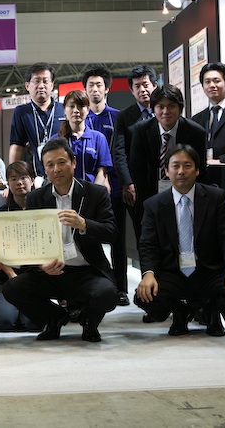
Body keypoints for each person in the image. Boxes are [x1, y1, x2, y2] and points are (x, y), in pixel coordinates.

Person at [2, 138, 120, 343]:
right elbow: (30, 243)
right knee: (12, 288)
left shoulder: (95, 193)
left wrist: (84, 224)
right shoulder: (36, 198)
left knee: (108, 294)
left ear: (73, 162)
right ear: (44, 170)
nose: (56, 169)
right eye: (50, 165)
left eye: (61, 162)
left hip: (86, 271)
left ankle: (89, 322)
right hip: (51, 272)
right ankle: (54, 318)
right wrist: (41, 265)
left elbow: (111, 233)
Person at [135, 144, 225, 337]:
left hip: (208, 271)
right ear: (167, 171)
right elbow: (148, 245)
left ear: (197, 170)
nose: (181, 171)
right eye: (175, 166)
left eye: (187, 165)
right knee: (144, 296)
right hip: (173, 272)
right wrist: (148, 274)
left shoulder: (215, 197)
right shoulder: (153, 205)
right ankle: (179, 311)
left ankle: (211, 311)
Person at [128, 84, 206, 247]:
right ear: (153, 108)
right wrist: (146, 207)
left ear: (180, 108)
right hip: (151, 194)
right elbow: (137, 171)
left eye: (171, 106)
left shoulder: (196, 132)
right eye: (160, 106)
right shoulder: (141, 130)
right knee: (151, 244)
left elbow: (201, 172)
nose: (166, 111)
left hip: (186, 196)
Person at [82, 65, 129, 307]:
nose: (95, 89)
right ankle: (94, 285)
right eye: (90, 85)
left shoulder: (119, 117)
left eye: (99, 84)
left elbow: (122, 152)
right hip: (87, 190)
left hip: (116, 189)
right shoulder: (81, 118)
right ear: (85, 89)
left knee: (117, 238)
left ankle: (121, 288)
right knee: (88, 237)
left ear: (107, 88)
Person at [0, 161, 44, 333]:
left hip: (35, 279)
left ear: (32, 180)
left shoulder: (43, 212)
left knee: (34, 324)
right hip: (8, 279)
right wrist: (10, 274)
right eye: (13, 179)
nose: (19, 182)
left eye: (23, 177)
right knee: (6, 323)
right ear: (8, 183)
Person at [112, 64, 158, 250]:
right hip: (136, 187)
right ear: (131, 90)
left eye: (146, 84)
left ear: (154, 85)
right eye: (137, 86)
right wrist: (127, 183)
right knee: (143, 233)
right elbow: (119, 152)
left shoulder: (164, 111)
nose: (142, 90)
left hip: (164, 182)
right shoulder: (124, 117)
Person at [8, 63, 66, 183]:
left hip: (63, 175)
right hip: (36, 178)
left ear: (52, 85)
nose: (41, 86)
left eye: (45, 81)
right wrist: (13, 179)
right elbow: (17, 147)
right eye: (36, 81)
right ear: (27, 86)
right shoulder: (22, 112)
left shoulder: (63, 109)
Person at [51, 90, 112, 187]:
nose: (76, 110)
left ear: (88, 109)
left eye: (81, 106)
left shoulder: (98, 138)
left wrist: (94, 192)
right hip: (63, 193)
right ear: (64, 109)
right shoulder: (55, 140)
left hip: (92, 192)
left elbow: (102, 171)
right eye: (71, 106)